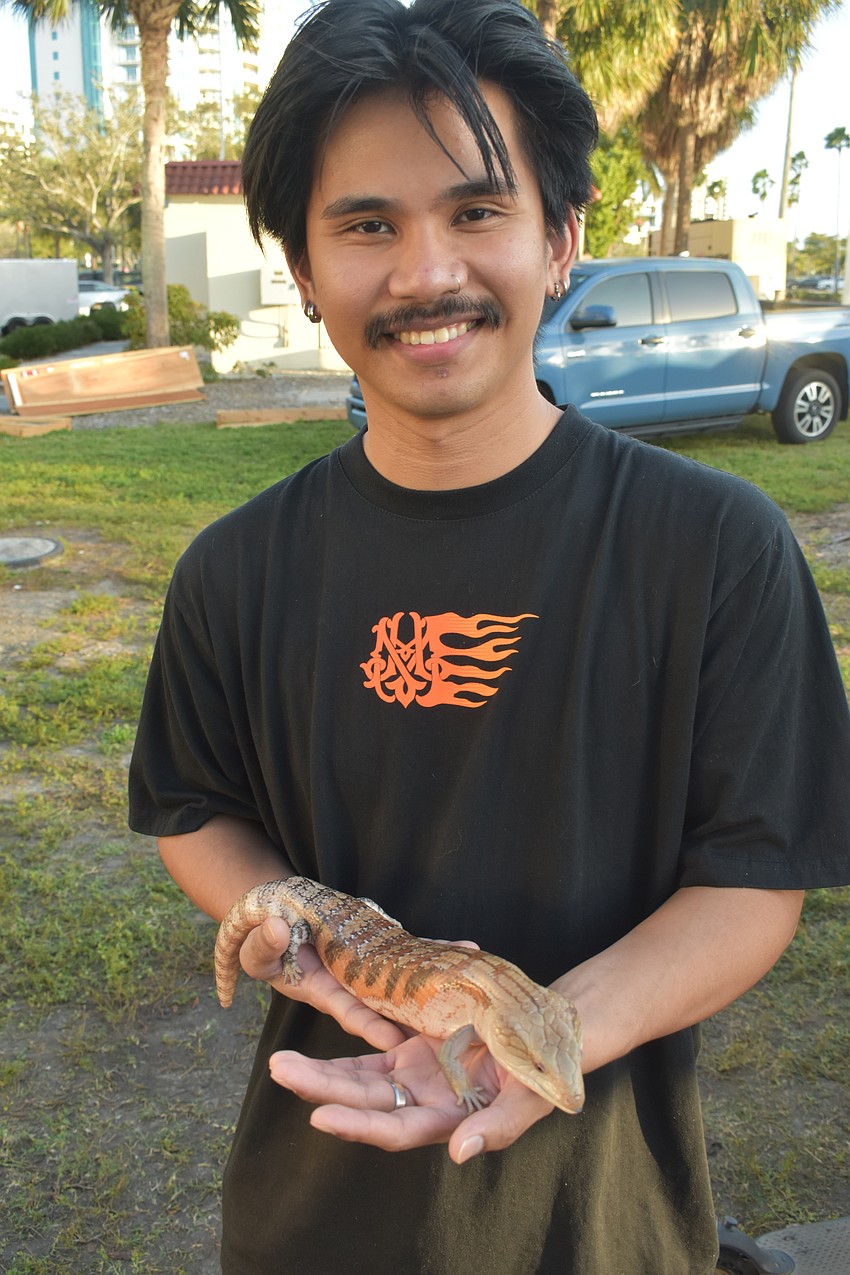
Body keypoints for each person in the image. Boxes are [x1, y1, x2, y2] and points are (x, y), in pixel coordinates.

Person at [128, 1, 850, 1271]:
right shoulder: (234, 572)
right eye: (365, 226)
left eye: (476, 211)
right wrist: (293, 922)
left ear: (560, 238)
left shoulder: (715, 549)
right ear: (302, 269)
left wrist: (522, 1031)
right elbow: (195, 809)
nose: (424, 274)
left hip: (604, 1218)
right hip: (309, 1218)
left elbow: (753, 880)